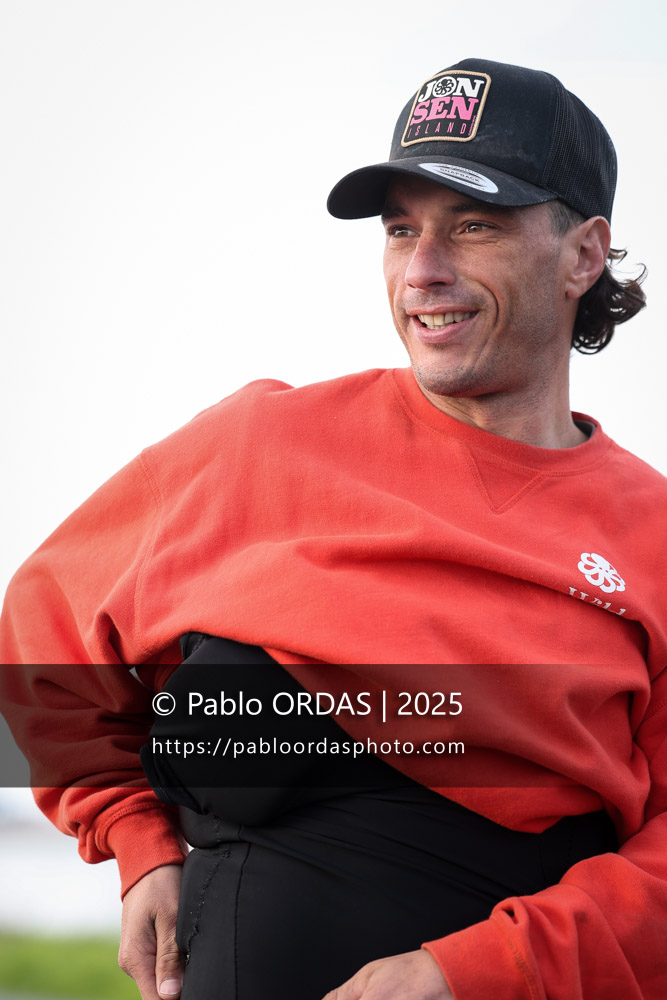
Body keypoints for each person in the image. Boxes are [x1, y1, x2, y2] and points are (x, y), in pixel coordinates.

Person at [0, 56, 664, 1000]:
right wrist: (136, 840)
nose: (423, 270)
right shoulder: (260, 444)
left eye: (472, 227)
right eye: (401, 231)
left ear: (583, 254)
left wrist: (466, 972)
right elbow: (43, 638)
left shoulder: (652, 537)